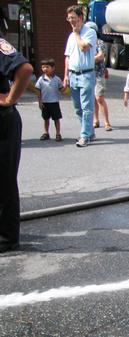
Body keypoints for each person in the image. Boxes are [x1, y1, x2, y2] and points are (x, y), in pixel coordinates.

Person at [0, 33, 33, 253]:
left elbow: (25, 69)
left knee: (3, 181)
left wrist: (10, 99)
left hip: (2, 121)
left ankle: (6, 238)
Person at [63, 5, 97, 148]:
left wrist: (77, 34)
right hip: (73, 74)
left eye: (74, 18)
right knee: (78, 107)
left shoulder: (89, 32)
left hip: (86, 74)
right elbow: (67, 57)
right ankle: (89, 132)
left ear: (81, 18)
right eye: (69, 18)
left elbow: (84, 47)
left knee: (86, 106)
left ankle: (84, 135)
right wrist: (65, 75)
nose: (71, 21)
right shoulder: (71, 36)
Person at [86, 21, 112, 132]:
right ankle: (95, 120)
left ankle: (107, 122)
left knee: (99, 98)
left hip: (98, 74)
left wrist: (87, 61)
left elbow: (101, 56)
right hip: (88, 74)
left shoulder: (99, 42)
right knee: (92, 98)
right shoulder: (85, 43)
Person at [35, 58, 64, 142]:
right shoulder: (41, 79)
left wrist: (66, 88)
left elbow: (61, 90)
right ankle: (46, 133)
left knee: (56, 119)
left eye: (47, 67)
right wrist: (40, 102)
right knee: (46, 119)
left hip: (54, 102)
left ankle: (58, 134)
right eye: (43, 67)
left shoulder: (57, 79)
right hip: (45, 103)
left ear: (53, 68)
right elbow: (38, 90)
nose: (45, 69)